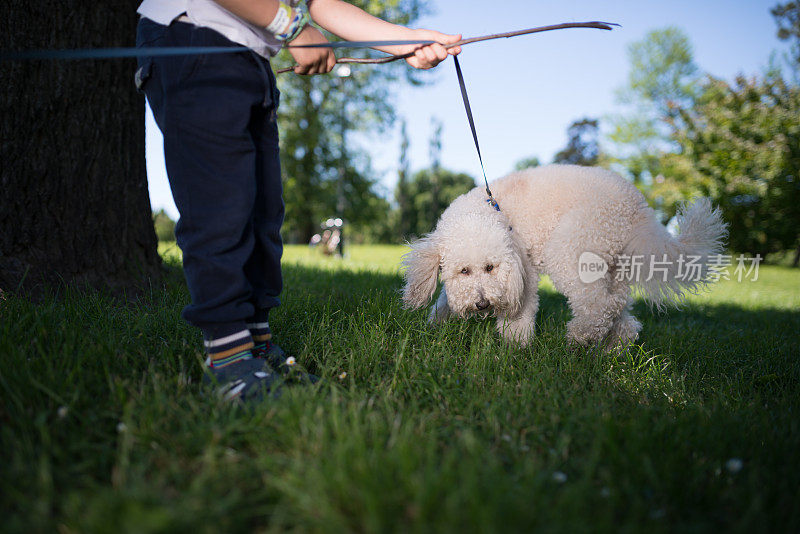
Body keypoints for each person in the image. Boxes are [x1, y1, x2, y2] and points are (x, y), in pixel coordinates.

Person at [135, 0, 461, 402]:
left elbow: (316, 2)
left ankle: (256, 347)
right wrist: (291, 27)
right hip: (195, 37)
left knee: (262, 213)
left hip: (250, 55)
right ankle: (228, 361)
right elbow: (298, 13)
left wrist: (406, 41)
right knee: (220, 209)